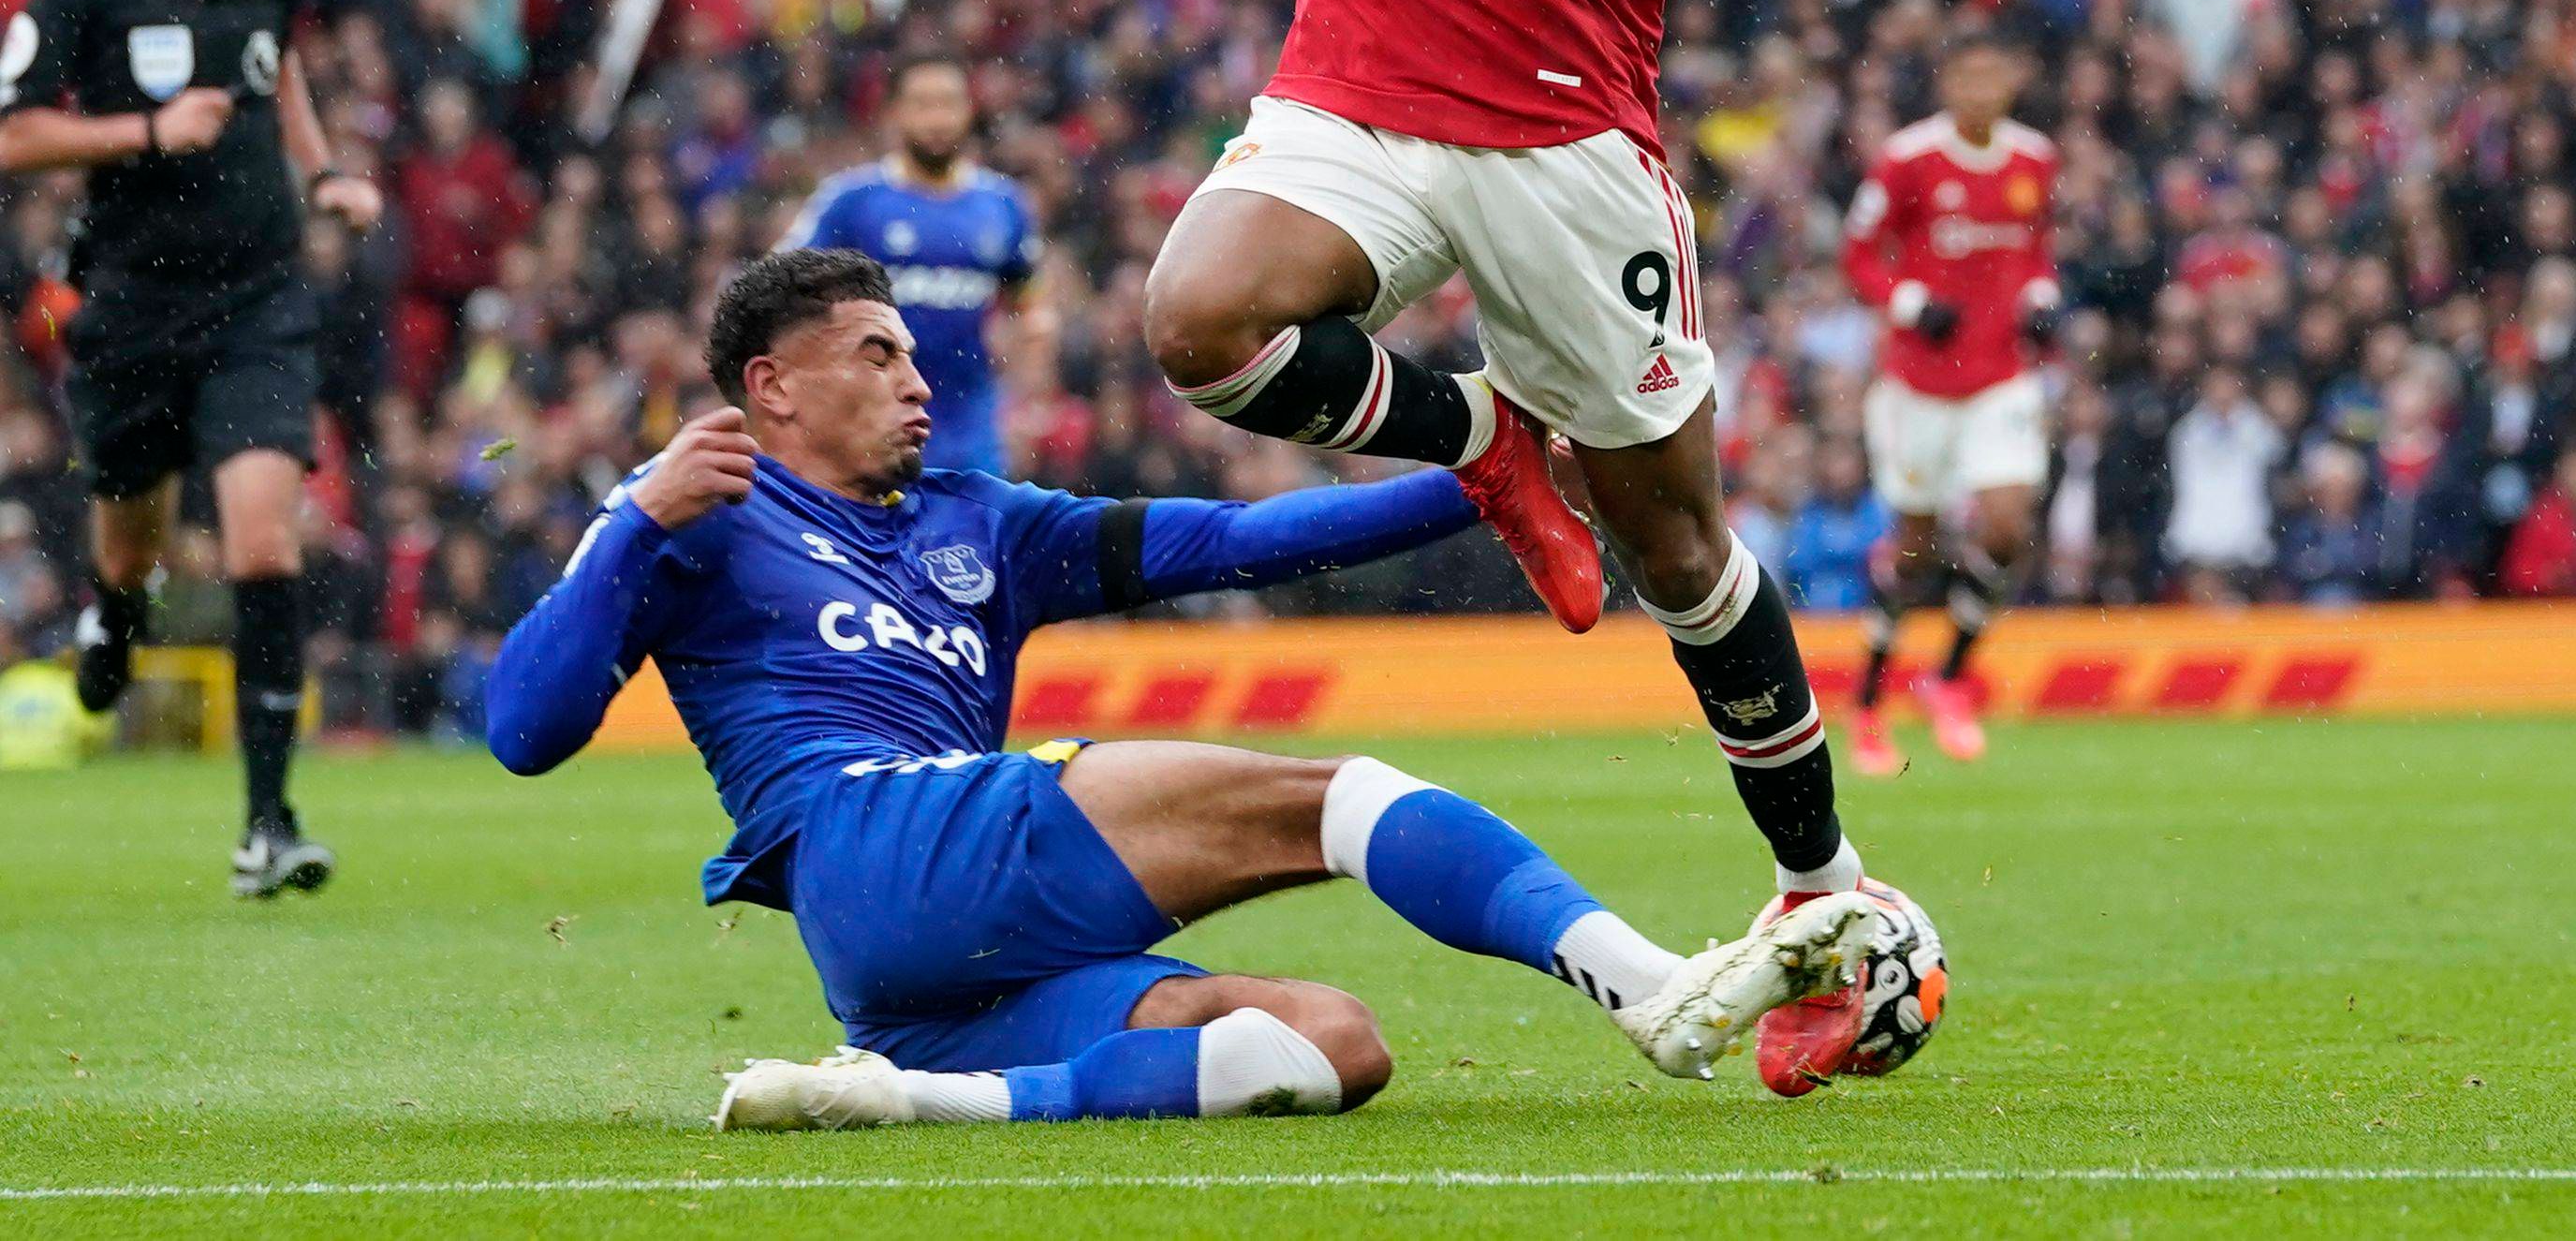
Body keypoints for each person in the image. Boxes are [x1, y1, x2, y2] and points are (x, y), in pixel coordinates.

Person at [1140, 0, 1868, 1095]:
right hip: (1355, 93)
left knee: (1679, 551)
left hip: (1554, 137)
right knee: (1198, 322)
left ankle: (1823, 892)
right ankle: (1479, 436)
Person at [486, 249, 1877, 1130]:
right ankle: (1655, 994)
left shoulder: (979, 520)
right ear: (769, 389)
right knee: (1339, 797)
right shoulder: (702, 522)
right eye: (881, 355)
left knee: (1323, 1047)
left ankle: (917, 1097)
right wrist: (629, 518)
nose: (922, 378)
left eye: (914, 352)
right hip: (866, 837)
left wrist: (1477, 481)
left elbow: (1232, 540)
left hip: (919, 974)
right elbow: (524, 732)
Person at [0, 0, 380, 894]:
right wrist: (148, 130)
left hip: (260, 301)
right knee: (133, 549)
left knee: (267, 543)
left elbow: (282, 74)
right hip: (129, 306)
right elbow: (14, 130)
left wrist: (326, 173)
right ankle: (112, 616)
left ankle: (269, 820)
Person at [1841, 29, 2059, 775]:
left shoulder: (2034, 157)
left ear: (2010, 82)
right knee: (1914, 548)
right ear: (1947, 84)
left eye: (1993, 75)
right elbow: (1859, 251)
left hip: (2000, 375)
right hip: (1919, 384)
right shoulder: (1909, 159)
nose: (1980, 91)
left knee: (2005, 522)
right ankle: (1870, 697)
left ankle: (1949, 675)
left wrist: (2040, 296)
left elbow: (2035, 248)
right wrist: (1908, 303)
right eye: (1967, 76)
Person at [778, 58, 1039, 475]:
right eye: (922, 104)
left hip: (970, 423)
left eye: (948, 103)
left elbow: (1031, 308)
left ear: (969, 110)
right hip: (868, 417)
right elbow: (781, 289)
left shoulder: (1003, 205)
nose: (937, 118)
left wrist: (1028, 401)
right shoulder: (852, 202)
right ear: (895, 112)